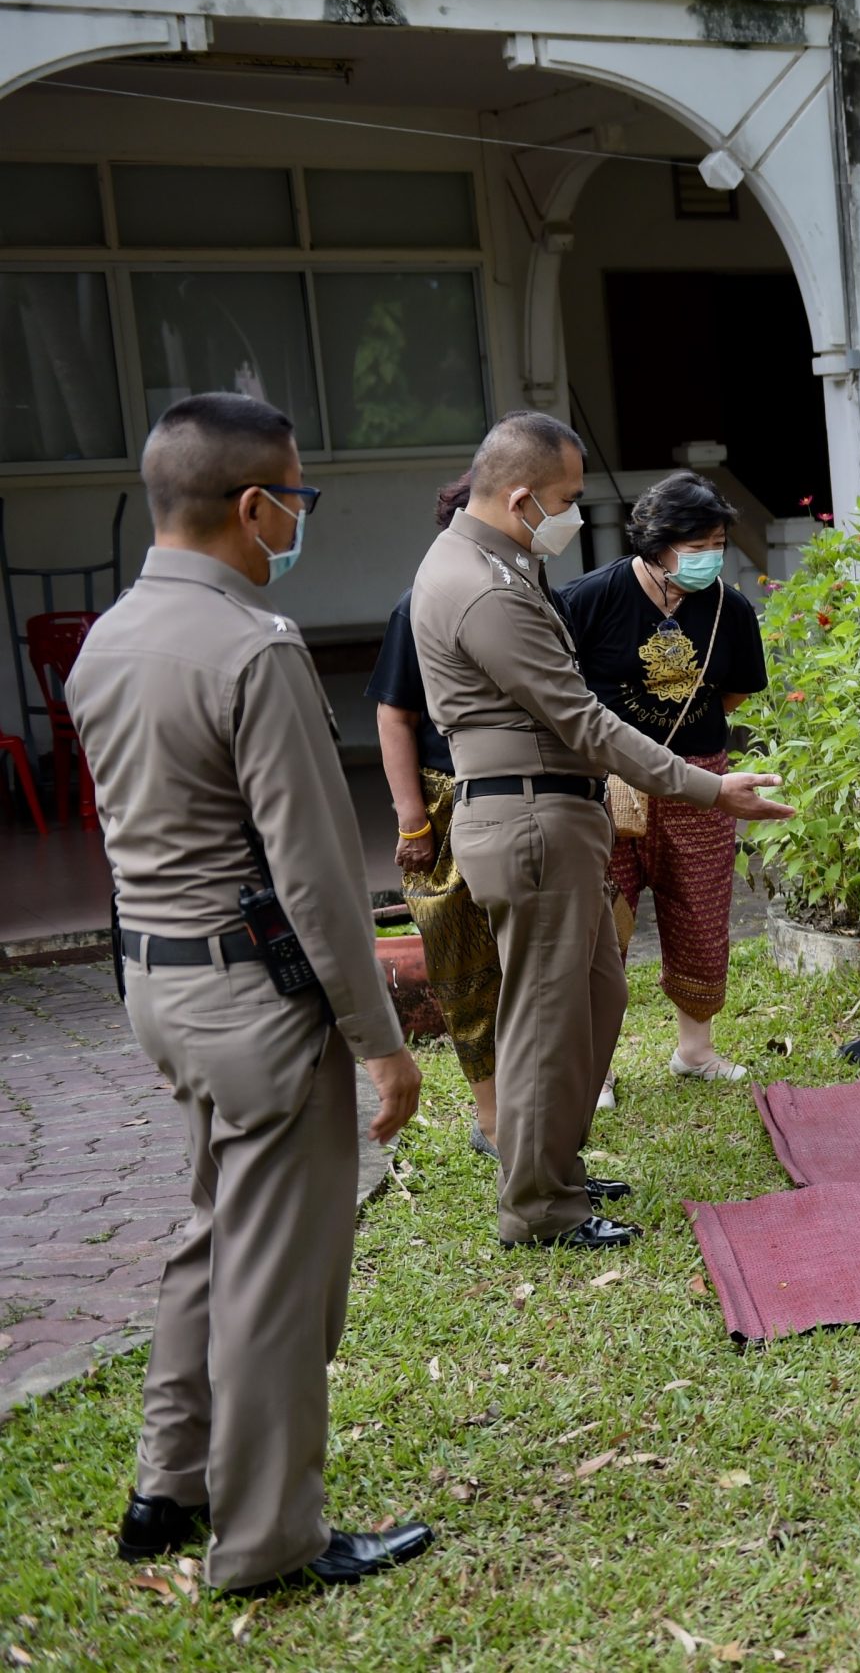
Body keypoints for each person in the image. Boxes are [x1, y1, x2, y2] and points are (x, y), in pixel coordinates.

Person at [65, 393, 432, 1594]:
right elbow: (316, 876)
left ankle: (168, 1487)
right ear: (254, 504)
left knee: (213, 1235)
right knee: (279, 1280)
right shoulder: (252, 648)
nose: (299, 518)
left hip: (158, 986)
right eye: (298, 496)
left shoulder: (108, 639)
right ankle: (269, 1540)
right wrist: (382, 1042)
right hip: (256, 1000)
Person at [408, 412, 792, 1251]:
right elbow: (582, 720)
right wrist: (709, 788)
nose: (575, 515)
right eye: (566, 498)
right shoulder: (484, 587)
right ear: (520, 497)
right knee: (548, 1018)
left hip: (549, 810)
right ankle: (540, 1206)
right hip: (530, 814)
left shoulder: (493, 565)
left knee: (595, 997)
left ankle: (555, 1166)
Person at [557, 470, 770, 1082]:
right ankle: (595, 1068)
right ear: (656, 542)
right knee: (601, 920)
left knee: (701, 913)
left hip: (701, 780)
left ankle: (695, 1051)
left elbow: (732, 695)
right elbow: (560, 691)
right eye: (696, 545)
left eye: (717, 545)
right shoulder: (587, 599)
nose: (710, 557)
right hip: (606, 782)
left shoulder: (731, 609)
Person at [369, 478, 505, 1156]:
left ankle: (547, 1101)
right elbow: (394, 715)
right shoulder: (418, 605)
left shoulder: (530, 597)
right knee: (464, 962)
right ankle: (494, 1118)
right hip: (449, 796)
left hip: (526, 795)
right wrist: (413, 821)